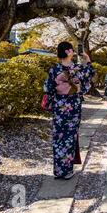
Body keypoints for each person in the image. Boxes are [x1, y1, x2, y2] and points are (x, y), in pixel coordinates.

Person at [43, 41, 95, 180]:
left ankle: (59, 171)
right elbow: (90, 74)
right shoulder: (77, 68)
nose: (73, 50)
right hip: (73, 104)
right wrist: (87, 59)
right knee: (70, 136)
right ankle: (67, 170)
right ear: (67, 51)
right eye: (71, 49)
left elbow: (48, 88)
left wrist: (53, 101)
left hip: (59, 105)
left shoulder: (54, 69)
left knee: (59, 137)